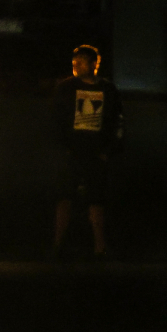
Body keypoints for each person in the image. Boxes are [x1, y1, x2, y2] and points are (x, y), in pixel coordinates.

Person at [50, 45, 123, 260]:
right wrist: (63, 148)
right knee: (64, 197)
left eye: (81, 61)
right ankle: (58, 245)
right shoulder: (66, 88)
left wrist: (108, 151)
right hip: (72, 153)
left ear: (94, 64)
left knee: (96, 199)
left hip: (96, 154)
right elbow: (56, 120)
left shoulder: (108, 90)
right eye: (74, 61)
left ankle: (100, 247)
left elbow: (117, 121)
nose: (76, 64)